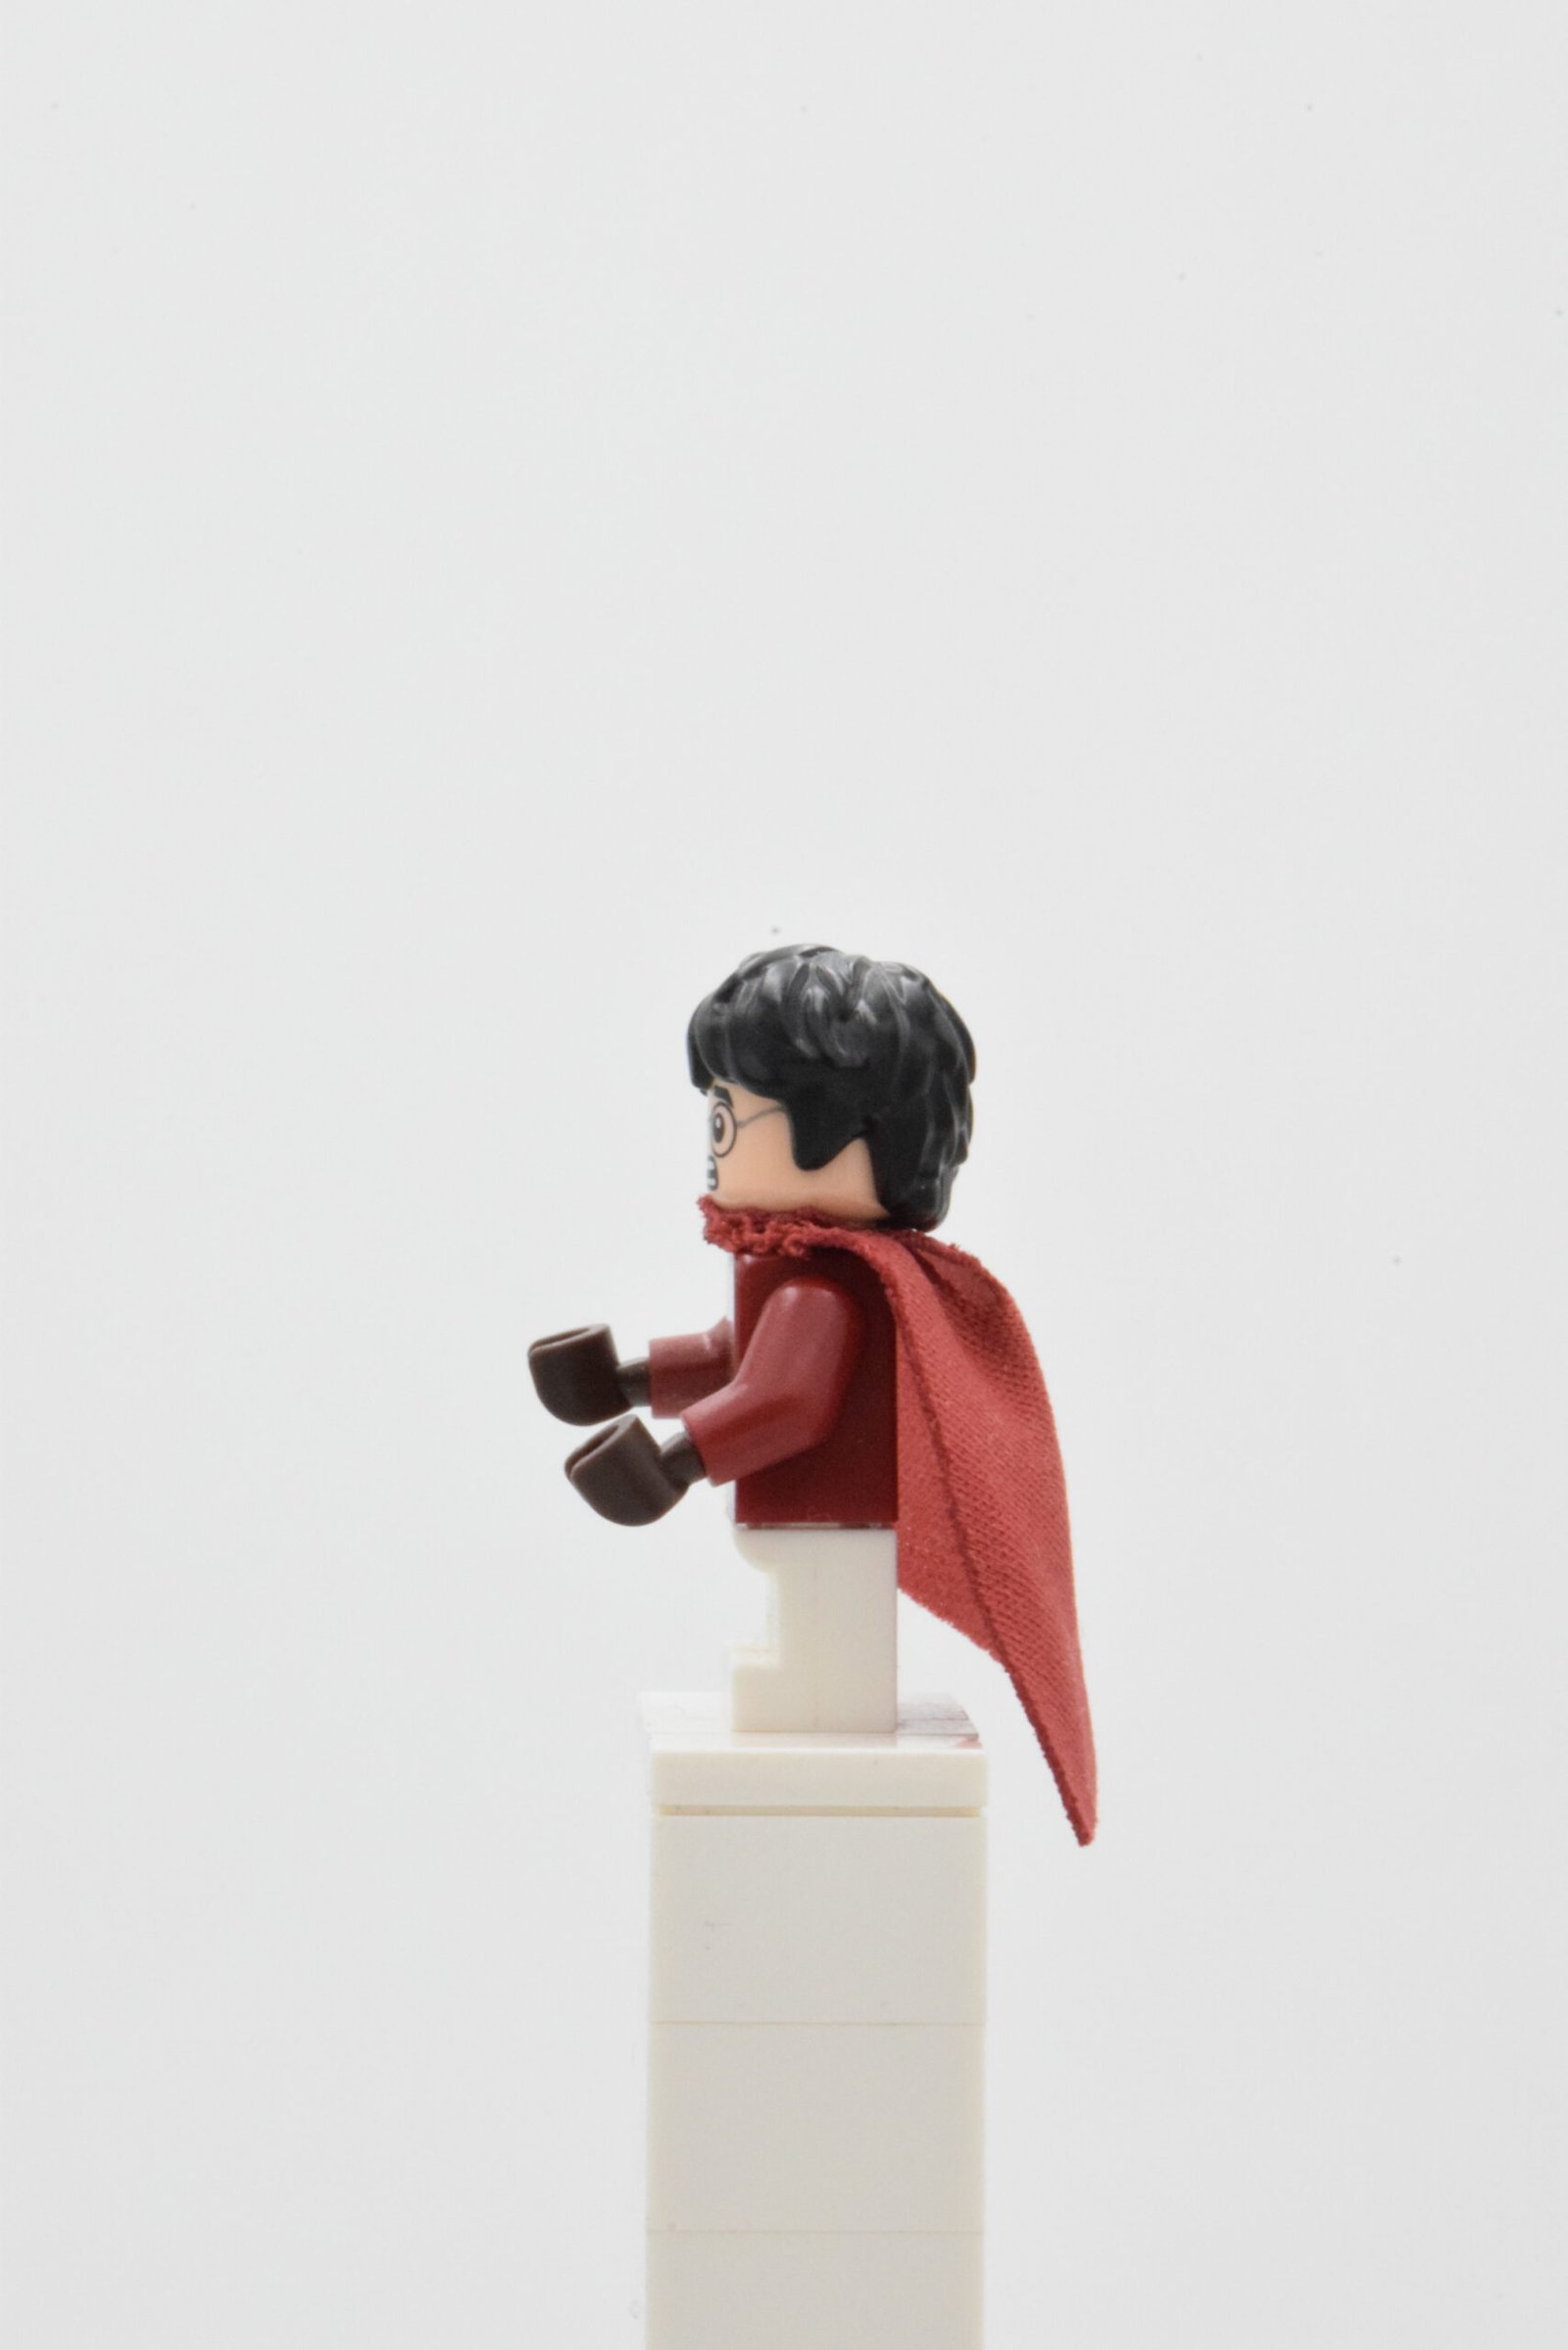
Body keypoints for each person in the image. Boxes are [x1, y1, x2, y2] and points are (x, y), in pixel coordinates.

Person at [528, 945, 1098, 1841]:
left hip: (833, 1521)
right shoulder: (801, 1274)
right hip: (818, 1520)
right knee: (803, 1607)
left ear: (838, 1129)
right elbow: (732, 1357)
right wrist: (625, 1382)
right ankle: (806, 1694)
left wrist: (675, 1466)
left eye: (730, 1116)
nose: (714, 1140)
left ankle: (821, 1704)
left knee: (824, 1628)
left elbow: (785, 1402)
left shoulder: (821, 1291)